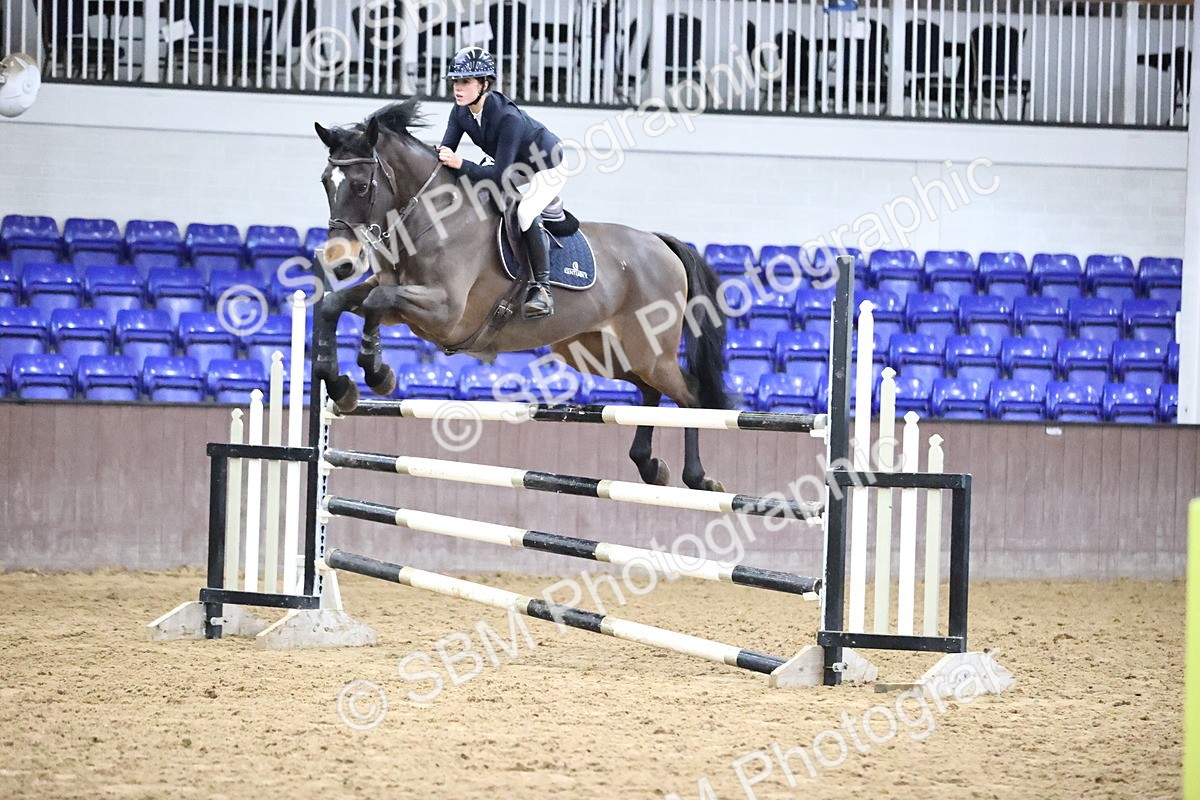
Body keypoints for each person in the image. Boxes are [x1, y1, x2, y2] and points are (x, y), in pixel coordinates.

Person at [435, 46, 567, 319]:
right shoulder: (460, 112)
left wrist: (462, 164)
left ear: (485, 84)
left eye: (465, 82)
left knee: (525, 211)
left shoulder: (508, 117)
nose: (458, 88)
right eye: (455, 82)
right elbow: (445, 154)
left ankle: (542, 289)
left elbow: (500, 175)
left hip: (546, 165)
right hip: (515, 164)